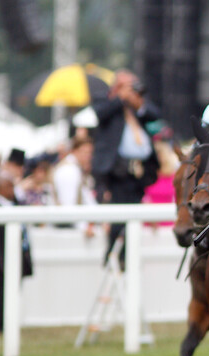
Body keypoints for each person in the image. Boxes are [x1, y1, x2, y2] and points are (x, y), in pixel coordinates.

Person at [91, 70, 161, 266]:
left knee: (134, 214)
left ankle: (125, 256)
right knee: (117, 214)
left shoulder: (136, 106)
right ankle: (112, 254)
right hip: (115, 171)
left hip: (138, 173)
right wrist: (120, 98)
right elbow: (99, 113)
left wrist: (138, 104)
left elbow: (155, 115)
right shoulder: (106, 100)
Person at [0, 175, 33, 332]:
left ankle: (8, 325)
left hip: (17, 260)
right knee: (2, 296)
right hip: (2, 263)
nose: (12, 190)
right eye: (9, 187)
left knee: (12, 295)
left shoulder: (15, 205)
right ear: (0, 188)